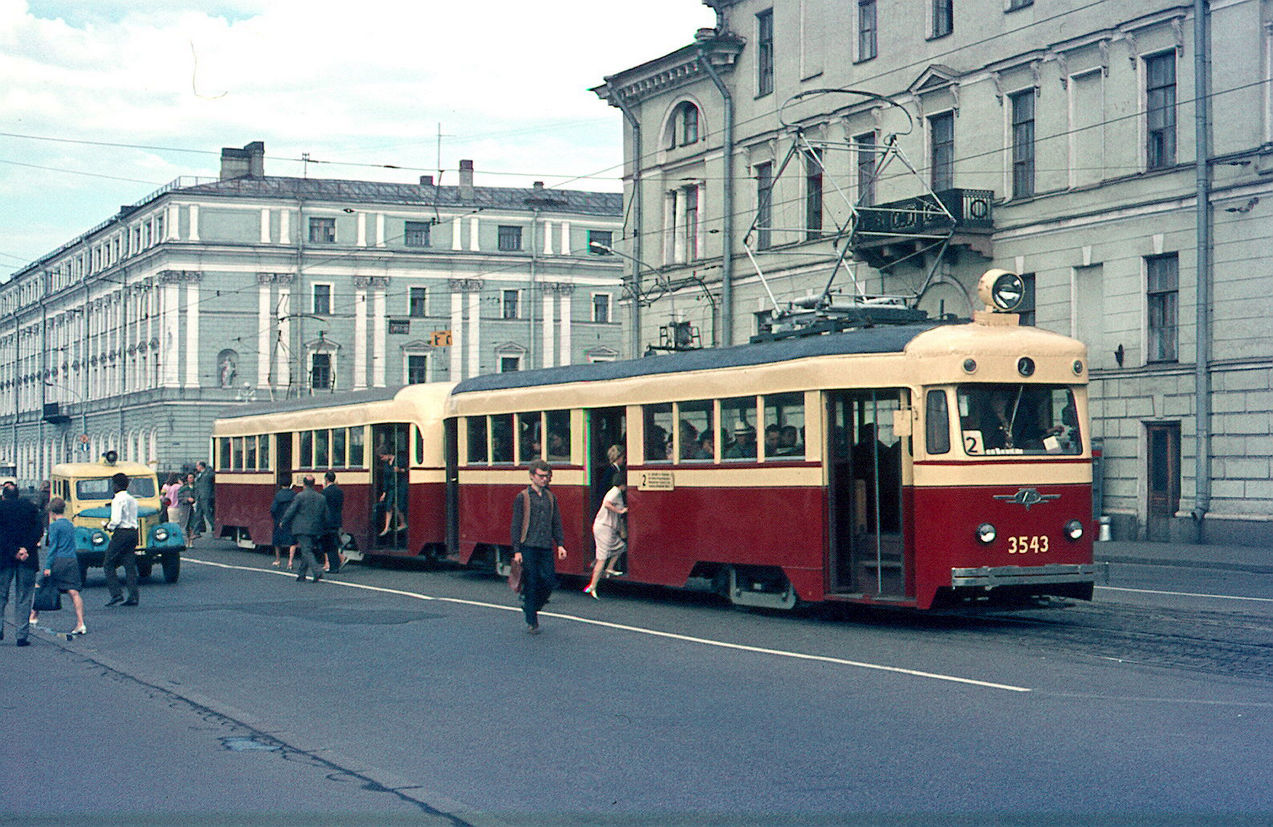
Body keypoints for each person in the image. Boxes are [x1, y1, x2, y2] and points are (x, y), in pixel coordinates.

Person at [510, 459, 567, 634]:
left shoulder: (551, 497)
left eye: (547, 476)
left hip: (545, 546)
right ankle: (531, 620)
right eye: (541, 476)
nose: (544, 479)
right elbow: (516, 524)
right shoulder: (523, 497)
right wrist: (517, 550)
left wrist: (560, 544)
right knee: (532, 582)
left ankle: (532, 605)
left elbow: (556, 522)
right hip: (528, 546)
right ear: (532, 476)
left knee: (549, 581)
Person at [31, 497, 86, 635]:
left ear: (52, 512)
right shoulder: (69, 524)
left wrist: (48, 566)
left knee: (41, 584)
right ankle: (80, 623)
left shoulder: (54, 526)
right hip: (71, 560)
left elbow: (53, 548)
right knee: (74, 592)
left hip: (59, 560)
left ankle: (33, 616)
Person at [0, 483, 43, 645]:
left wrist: (13, 551)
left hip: (4, 558)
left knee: (1, 594)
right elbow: (38, 529)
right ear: (18, 495)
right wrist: (25, 548)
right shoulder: (30, 508)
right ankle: (21, 635)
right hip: (28, 557)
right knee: (24, 595)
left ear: (3, 496)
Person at [583, 471, 627, 598]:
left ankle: (609, 569)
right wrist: (620, 511)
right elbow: (607, 504)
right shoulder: (616, 492)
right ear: (622, 483)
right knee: (602, 558)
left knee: (621, 546)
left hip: (606, 527)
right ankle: (592, 586)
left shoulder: (614, 491)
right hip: (604, 528)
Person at [103, 472, 140, 607]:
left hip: (122, 533)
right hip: (133, 532)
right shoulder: (133, 500)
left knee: (108, 562)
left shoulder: (117, 499)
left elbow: (116, 520)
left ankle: (116, 593)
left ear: (116, 485)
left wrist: (109, 526)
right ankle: (133, 596)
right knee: (129, 564)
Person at [280, 475, 327, 583]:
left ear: (304, 484)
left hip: (301, 528)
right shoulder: (321, 497)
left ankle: (317, 571)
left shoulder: (300, 496)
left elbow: (291, 510)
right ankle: (301, 574)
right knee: (307, 549)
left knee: (306, 550)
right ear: (314, 484)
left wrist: (284, 521)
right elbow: (325, 514)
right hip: (316, 527)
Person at [322, 470, 346, 573]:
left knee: (329, 544)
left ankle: (333, 566)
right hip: (337, 518)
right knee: (334, 542)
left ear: (326, 479)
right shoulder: (339, 491)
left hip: (328, 520)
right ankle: (336, 563)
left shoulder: (325, 492)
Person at [269, 480, 297, 569]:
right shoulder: (294, 494)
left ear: (281, 486)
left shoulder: (278, 495)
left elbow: (273, 509)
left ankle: (278, 560)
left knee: (277, 540)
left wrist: (276, 517)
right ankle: (290, 562)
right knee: (292, 541)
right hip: (291, 520)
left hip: (279, 520)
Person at [191, 460, 215, 540]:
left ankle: (215, 527)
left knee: (208, 513)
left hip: (206, 496)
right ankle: (196, 532)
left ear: (201, 466)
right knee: (198, 515)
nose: (196, 467)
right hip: (200, 497)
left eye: (197, 466)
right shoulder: (199, 475)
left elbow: (212, 475)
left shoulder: (208, 473)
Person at [175, 473, 196, 539]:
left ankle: (192, 539)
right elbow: (179, 497)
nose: (191, 479)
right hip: (185, 508)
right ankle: (188, 540)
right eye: (190, 477)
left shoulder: (196, 487)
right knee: (186, 524)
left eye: (192, 477)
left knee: (193, 524)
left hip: (194, 508)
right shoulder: (183, 488)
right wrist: (187, 499)